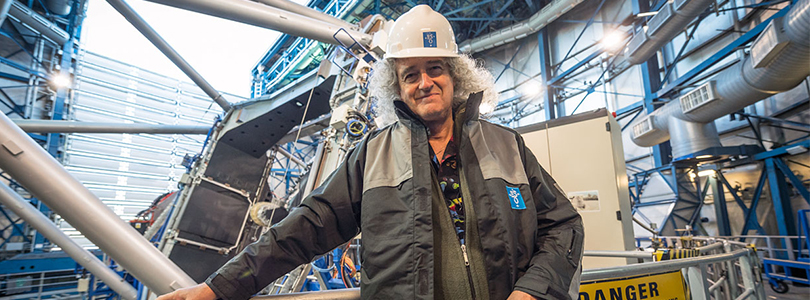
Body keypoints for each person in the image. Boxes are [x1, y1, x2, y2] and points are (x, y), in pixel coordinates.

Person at [157, 5, 583, 300]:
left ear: (454, 76)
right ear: (396, 87)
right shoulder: (372, 156)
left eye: (435, 68)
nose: (424, 82)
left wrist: (532, 291)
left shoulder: (506, 144)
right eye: (410, 74)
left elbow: (563, 225)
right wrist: (218, 288)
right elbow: (303, 230)